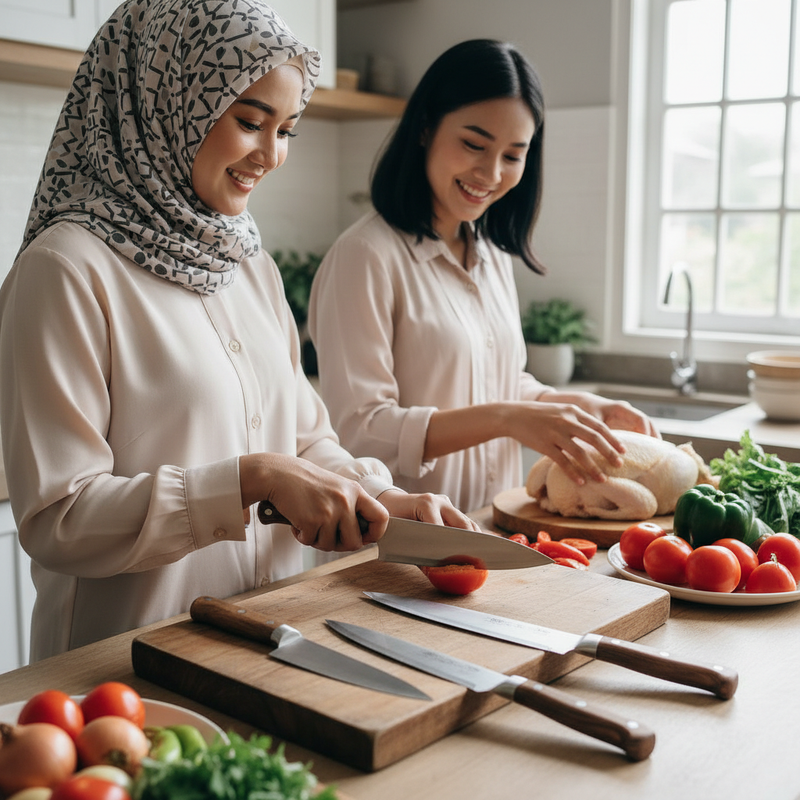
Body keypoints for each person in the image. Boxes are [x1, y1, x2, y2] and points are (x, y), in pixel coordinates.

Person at [0, 0, 476, 662]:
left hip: (269, 645)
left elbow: (305, 438)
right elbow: (61, 519)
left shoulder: (246, 260)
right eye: (251, 122)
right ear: (165, 102)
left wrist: (382, 497)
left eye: (288, 130)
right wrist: (248, 480)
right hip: (125, 673)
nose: (271, 155)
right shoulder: (64, 269)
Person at [308, 39, 659, 513]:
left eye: (513, 155)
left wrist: (570, 408)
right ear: (426, 128)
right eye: (473, 144)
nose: (491, 173)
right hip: (396, 546)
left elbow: (496, 382)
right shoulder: (364, 256)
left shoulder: (490, 253)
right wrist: (506, 419)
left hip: (488, 530)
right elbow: (358, 430)